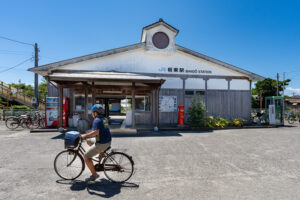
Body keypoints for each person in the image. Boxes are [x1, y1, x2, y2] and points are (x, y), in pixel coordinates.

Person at [80, 104, 112, 182]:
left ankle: (94, 175)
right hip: (107, 140)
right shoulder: (104, 119)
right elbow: (101, 132)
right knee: (89, 141)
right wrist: (89, 137)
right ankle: (101, 153)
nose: (92, 113)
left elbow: (96, 132)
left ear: (96, 113)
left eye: (93, 112)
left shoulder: (97, 120)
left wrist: (85, 135)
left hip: (102, 143)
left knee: (86, 157)